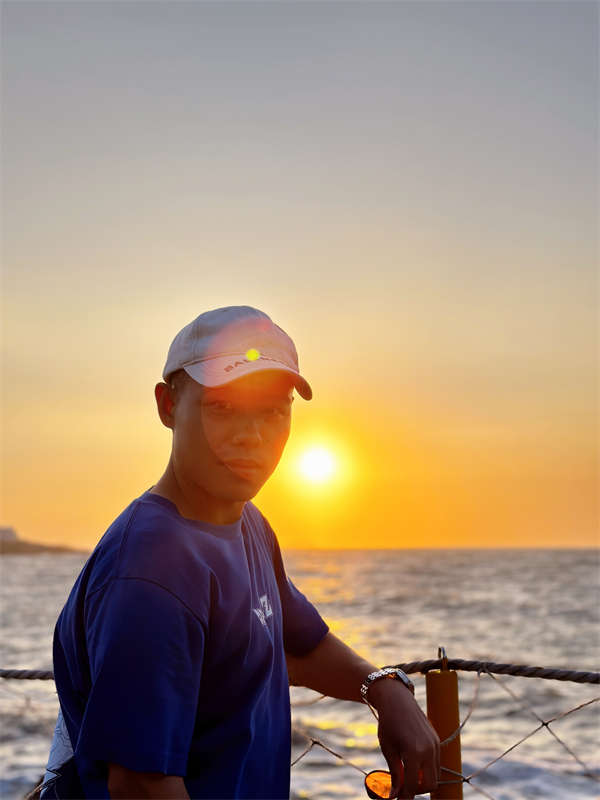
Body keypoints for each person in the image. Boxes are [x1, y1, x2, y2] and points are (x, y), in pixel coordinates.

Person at [40, 306, 440, 800]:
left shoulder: (247, 524)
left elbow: (298, 645)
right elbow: (140, 785)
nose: (252, 435)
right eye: (223, 407)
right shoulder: (151, 572)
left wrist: (382, 687)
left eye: (273, 410)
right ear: (168, 405)